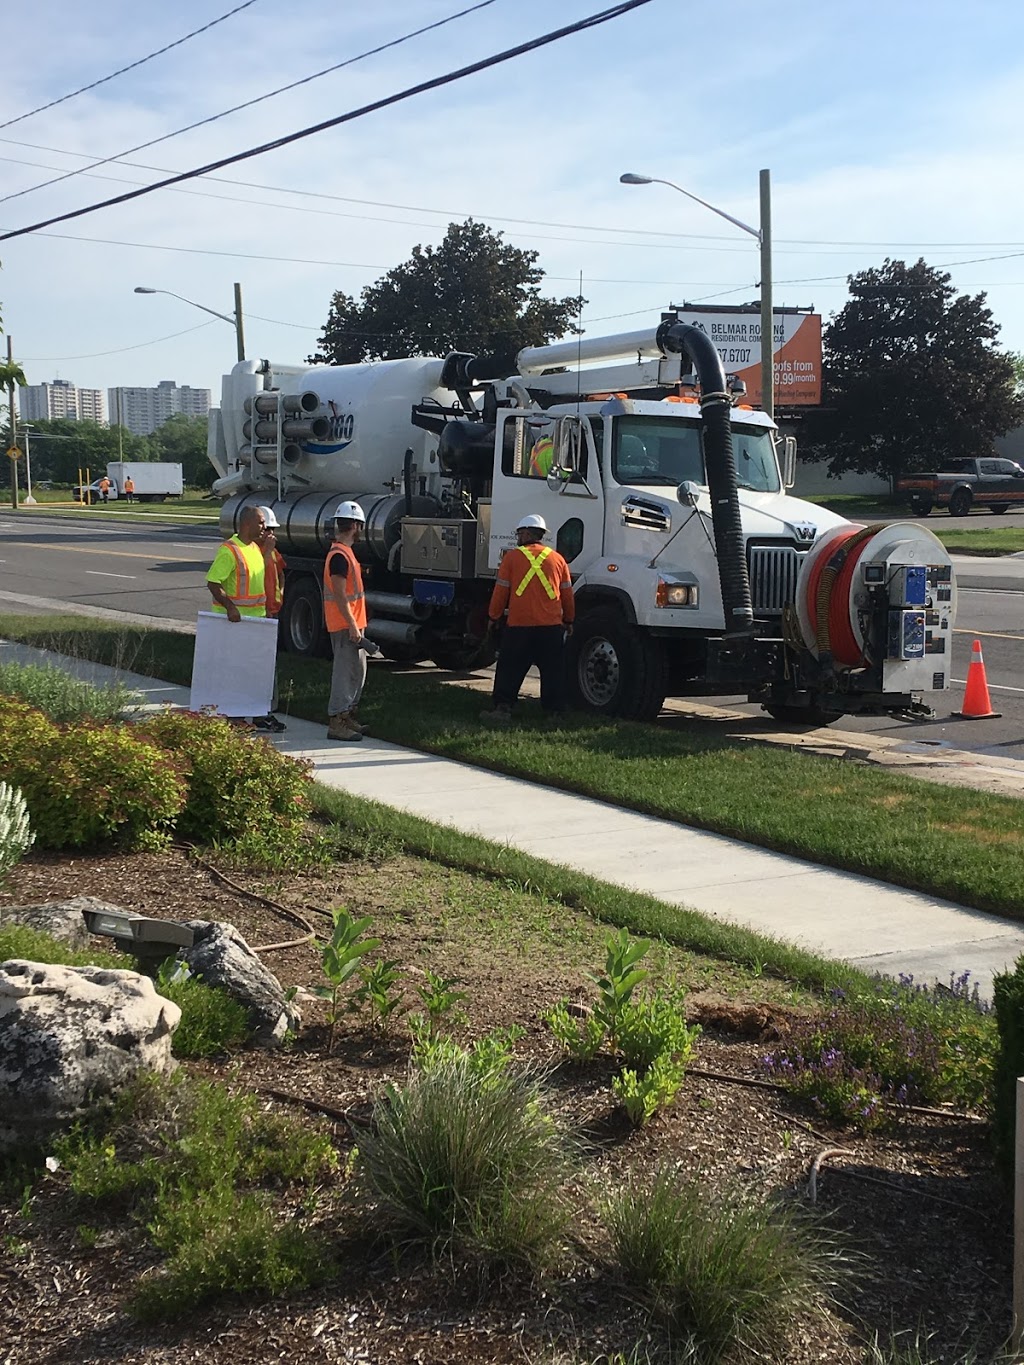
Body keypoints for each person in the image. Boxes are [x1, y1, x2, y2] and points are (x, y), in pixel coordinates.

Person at [481, 513, 575, 724]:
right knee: (553, 672)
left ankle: (503, 709)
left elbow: (501, 592)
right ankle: (555, 713)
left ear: (525, 534)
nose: (517, 538)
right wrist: (569, 620)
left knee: (510, 669)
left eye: (519, 534)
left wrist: (493, 617)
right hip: (551, 627)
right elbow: (567, 594)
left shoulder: (512, 558)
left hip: (519, 627)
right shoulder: (558, 559)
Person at [324, 500, 371, 742]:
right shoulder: (340, 556)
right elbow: (341, 595)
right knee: (344, 674)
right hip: (344, 625)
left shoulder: (345, 553)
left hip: (351, 624)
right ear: (355, 525)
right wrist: (353, 625)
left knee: (356, 672)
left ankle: (347, 714)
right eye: (360, 525)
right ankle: (337, 721)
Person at [254, 506, 287, 733]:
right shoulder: (257, 551)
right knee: (261, 665)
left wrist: (280, 595)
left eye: (273, 530)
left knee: (270, 664)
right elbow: (259, 575)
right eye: (268, 529)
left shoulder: (273, 552)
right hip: (259, 614)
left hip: (272, 611)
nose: (271, 534)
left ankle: (267, 709)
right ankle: (260, 711)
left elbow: (281, 573)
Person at [206, 504, 267, 623]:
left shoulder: (254, 547)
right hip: (232, 621)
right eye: (261, 523)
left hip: (256, 618)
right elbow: (213, 583)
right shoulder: (229, 550)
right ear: (247, 524)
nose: (264, 527)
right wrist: (230, 607)